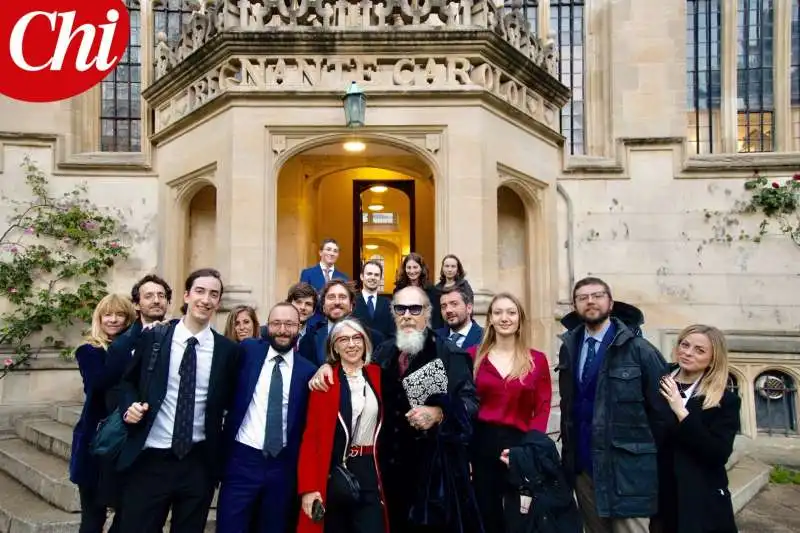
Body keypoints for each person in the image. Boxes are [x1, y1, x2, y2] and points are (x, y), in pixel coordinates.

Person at [310, 286, 482, 533]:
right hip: (387, 472)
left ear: (428, 313)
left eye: (415, 309)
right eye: (400, 309)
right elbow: (353, 372)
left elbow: (471, 404)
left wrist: (439, 413)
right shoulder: (383, 351)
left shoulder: (449, 353)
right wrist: (327, 367)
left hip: (435, 474)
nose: (407, 315)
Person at [116, 268, 241, 533]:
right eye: (200, 291)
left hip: (198, 463)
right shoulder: (155, 338)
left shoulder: (227, 351)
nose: (206, 299)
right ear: (186, 295)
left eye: (213, 294)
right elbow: (127, 381)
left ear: (218, 303)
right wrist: (130, 407)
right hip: (151, 458)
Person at [557, 277, 669, 533]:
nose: (590, 302)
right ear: (575, 305)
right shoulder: (569, 347)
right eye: (582, 298)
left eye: (597, 295)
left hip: (626, 471)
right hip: (584, 468)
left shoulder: (640, 350)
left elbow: (661, 414)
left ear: (610, 301)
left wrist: (643, 459)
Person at [216, 302, 317, 533]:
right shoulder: (248, 351)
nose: (282, 329)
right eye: (276, 323)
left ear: (299, 327)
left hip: (282, 466)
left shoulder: (308, 371)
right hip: (242, 461)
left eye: (290, 324)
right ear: (266, 327)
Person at [467, 292, 552, 533]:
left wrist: (529, 449)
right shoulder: (473, 357)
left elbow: (543, 406)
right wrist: (465, 454)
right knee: (486, 515)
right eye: (498, 312)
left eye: (511, 312)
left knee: (520, 517)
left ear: (520, 319)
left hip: (520, 445)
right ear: (490, 319)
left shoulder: (536, 360)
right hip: (481, 444)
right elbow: (465, 406)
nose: (505, 318)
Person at [297, 318, 387, 533]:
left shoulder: (379, 375)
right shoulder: (324, 382)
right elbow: (311, 439)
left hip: (370, 470)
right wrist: (308, 489)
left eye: (357, 338)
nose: (351, 344)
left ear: (365, 342)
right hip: (335, 472)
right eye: (343, 339)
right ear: (334, 347)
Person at [652, 325, 741, 533]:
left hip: (698, 497)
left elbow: (717, 453)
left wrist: (681, 411)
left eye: (700, 350)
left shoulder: (724, 400)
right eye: (685, 345)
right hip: (656, 493)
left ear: (713, 359)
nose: (688, 353)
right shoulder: (655, 378)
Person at [69, 293, 136, 533]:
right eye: (108, 314)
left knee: (128, 514)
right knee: (92, 519)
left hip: (127, 441)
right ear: (99, 318)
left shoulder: (136, 347)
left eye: (120, 314)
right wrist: (122, 351)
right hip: (95, 444)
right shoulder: (89, 351)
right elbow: (97, 383)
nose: (114, 320)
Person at [393, 253, 442, 329]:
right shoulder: (398, 290)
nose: (412, 271)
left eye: (415, 267)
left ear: (421, 268)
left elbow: (436, 317)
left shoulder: (432, 290)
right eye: (409, 267)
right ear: (404, 269)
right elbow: (395, 314)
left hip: (426, 332)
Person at [352, 260, 395, 339]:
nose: (373, 277)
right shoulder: (351, 301)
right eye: (369, 274)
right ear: (362, 276)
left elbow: (392, 333)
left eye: (376, 275)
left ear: (380, 278)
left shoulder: (388, 303)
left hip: (383, 350)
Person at [435, 284, 483, 350]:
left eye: (454, 304)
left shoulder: (486, 338)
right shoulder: (434, 337)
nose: (448, 310)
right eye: (444, 306)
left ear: (469, 308)